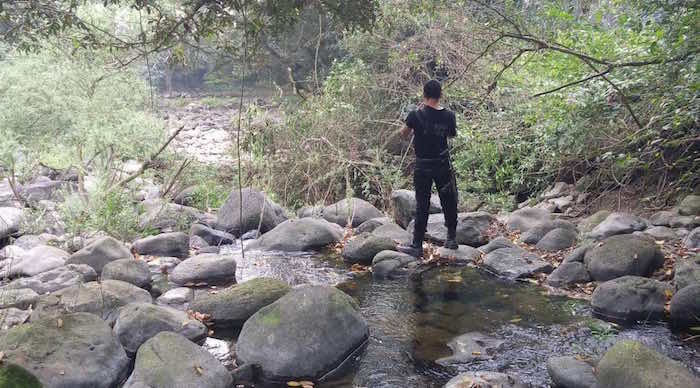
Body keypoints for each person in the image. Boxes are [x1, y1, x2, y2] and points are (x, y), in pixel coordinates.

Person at [397, 79, 458, 257]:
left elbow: (403, 134)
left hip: (423, 165)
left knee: (422, 203)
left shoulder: (415, 115)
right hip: (442, 164)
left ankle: (417, 245)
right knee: (448, 199)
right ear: (440, 95)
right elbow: (451, 134)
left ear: (424, 95)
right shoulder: (449, 115)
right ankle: (452, 239)